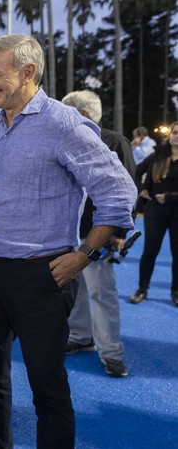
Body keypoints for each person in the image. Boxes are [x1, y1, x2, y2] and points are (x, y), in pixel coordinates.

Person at [0, 34, 136, 449]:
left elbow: (119, 194)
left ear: (27, 72)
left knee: (47, 385)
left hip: (40, 276)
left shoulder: (64, 123)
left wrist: (84, 255)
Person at [61, 90, 137, 378]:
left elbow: (126, 190)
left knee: (102, 293)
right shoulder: (64, 140)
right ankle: (80, 336)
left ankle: (111, 352)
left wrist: (117, 233)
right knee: (75, 288)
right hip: (68, 232)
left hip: (99, 233)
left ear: (82, 113)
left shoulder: (116, 141)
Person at [130, 121, 178, 307]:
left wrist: (169, 197)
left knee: (177, 254)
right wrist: (141, 189)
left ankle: (175, 291)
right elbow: (136, 170)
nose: (176, 136)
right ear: (169, 135)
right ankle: (142, 289)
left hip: (177, 212)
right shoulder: (157, 155)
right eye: (174, 132)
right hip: (155, 211)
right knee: (150, 251)